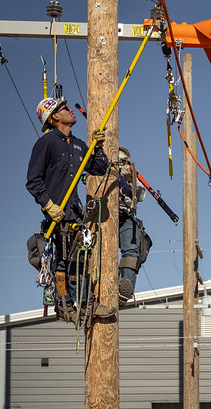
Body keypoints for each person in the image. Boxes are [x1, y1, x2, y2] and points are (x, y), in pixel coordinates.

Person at [26, 97, 116, 324]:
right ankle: (65, 306)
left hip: (74, 212)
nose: (70, 111)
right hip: (56, 214)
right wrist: (48, 205)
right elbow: (33, 181)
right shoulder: (46, 143)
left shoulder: (77, 145)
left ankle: (85, 305)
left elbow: (99, 168)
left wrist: (97, 148)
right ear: (55, 116)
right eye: (64, 108)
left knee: (80, 260)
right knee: (63, 262)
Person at [116, 147, 152, 306]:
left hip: (125, 216)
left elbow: (141, 195)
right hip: (101, 216)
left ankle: (126, 286)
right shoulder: (98, 166)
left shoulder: (130, 177)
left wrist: (130, 179)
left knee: (131, 251)